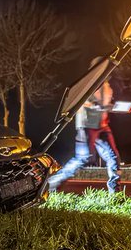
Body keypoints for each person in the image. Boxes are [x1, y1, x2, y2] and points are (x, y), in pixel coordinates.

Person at [46, 59, 122, 194]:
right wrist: (95, 105)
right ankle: (54, 182)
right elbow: (80, 100)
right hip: (87, 125)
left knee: (113, 157)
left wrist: (114, 106)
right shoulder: (88, 83)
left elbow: (108, 101)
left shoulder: (106, 84)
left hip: (103, 125)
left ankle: (115, 192)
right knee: (84, 157)